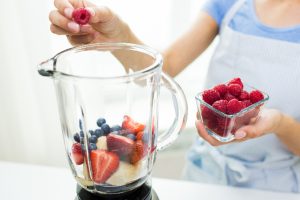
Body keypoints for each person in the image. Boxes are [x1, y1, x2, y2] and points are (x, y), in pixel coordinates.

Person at [49, 0, 300, 193]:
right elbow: (165, 68)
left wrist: (280, 123)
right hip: (206, 175)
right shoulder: (231, 4)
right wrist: (117, 33)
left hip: (276, 187)